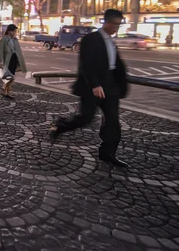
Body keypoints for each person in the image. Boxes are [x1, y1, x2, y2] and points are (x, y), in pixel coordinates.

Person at [50, 9, 129, 168]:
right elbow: (86, 64)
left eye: (119, 25)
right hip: (91, 86)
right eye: (115, 24)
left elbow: (115, 64)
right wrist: (95, 85)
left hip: (110, 86)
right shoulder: (90, 39)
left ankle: (108, 153)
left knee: (113, 121)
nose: (116, 28)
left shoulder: (111, 41)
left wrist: (121, 84)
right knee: (86, 117)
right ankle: (61, 126)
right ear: (106, 22)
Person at [0, 24, 27, 99]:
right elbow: (0, 51)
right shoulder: (3, 40)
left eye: (15, 31)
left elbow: (18, 50)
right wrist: (1, 61)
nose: (14, 33)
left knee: (11, 76)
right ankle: (6, 91)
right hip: (8, 59)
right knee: (10, 77)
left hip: (14, 58)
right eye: (13, 31)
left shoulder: (15, 39)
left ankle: (6, 90)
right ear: (8, 31)